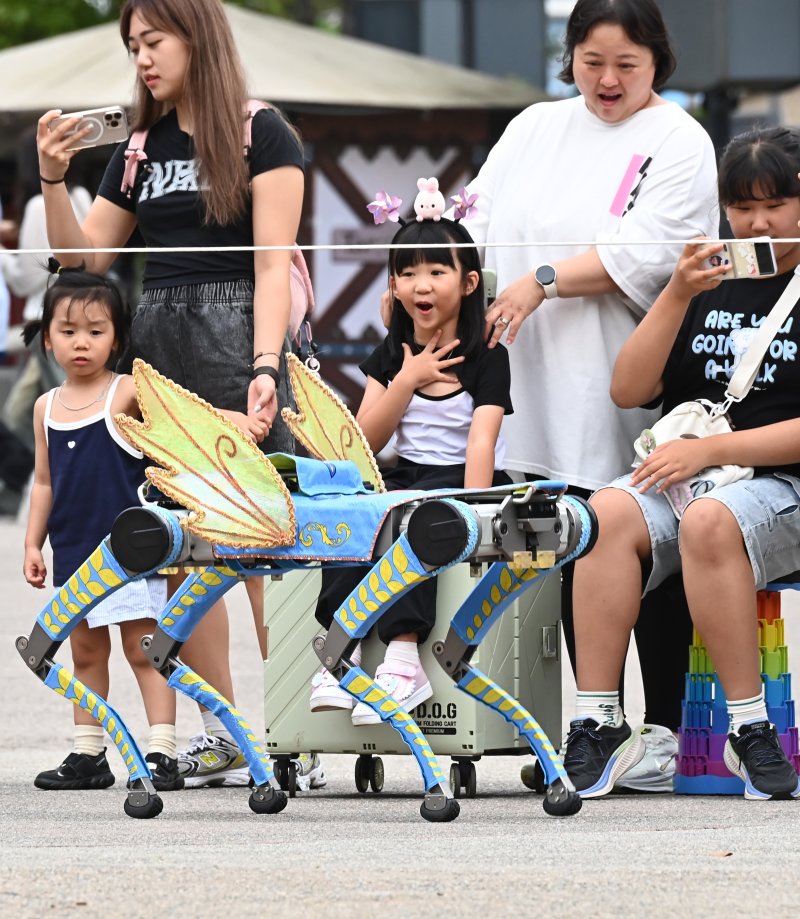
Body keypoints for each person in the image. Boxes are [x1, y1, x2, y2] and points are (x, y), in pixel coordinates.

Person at [35, 0, 320, 790]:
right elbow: (82, 257)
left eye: (154, 39)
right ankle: (225, 732)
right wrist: (54, 176)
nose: (143, 57)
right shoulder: (135, 147)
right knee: (190, 553)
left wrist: (266, 367)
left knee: (267, 545)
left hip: (240, 331)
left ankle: (295, 731)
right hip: (158, 342)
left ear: (198, 36)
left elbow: (272, 263)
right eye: (132, 44)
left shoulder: (264, 131)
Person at [454, 0, 720, 790]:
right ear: (568, 56)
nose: (606, 80)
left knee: (646, 540)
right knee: (561, 546)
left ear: (657, 64)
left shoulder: (679, 139)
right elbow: (479, 219)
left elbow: (643, 254)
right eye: (591, 62)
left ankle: (667, 725)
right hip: (531, 374)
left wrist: (543, 281)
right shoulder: (534, 125)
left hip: (631, 377)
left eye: (626, 66)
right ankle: (589, 726)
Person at [561, 125, 800, 801]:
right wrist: (674, 293)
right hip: (696, 475)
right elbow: (628, 390)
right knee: (601, 512)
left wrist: (711, 450)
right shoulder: (705, 279)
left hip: (778, 484)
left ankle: (749, 731)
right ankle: (597, 719)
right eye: (741, 205)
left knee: (709, 521)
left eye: (774, 204)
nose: (756, 221)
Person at [311, 205, 513, 724]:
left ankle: (403, 658)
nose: (421, 285)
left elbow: (481, 441)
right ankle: (340, 650)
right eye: (407, 272)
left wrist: (474, 513)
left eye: (436, 271)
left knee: (414, 516)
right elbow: (364, 443)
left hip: (459, 482)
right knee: (358, 510)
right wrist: (405, 378)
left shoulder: (486, 355)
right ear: (394, 285)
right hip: (404, 473)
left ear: (468, 283)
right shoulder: (391, 352)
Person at [23, 267, 182, 792]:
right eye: (68, 331)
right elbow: (44, 482)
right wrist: (32, 542)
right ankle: (88, 753)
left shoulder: (127, 391)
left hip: (131, 550)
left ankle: (161, 750)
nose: (81, 343)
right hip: (74, 549)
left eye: (96, 330)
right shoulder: (46, 408)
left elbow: (180, 426)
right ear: (48, 338)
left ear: (117, 336)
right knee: (85, 653)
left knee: (144, 649)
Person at [0, 127, 92, 452]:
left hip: (46, 325)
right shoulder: (81, 196)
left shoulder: (37, 206)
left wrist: (4, 256)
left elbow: (27, 279)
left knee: (47, 416)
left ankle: (48, 473)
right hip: (81, 319)